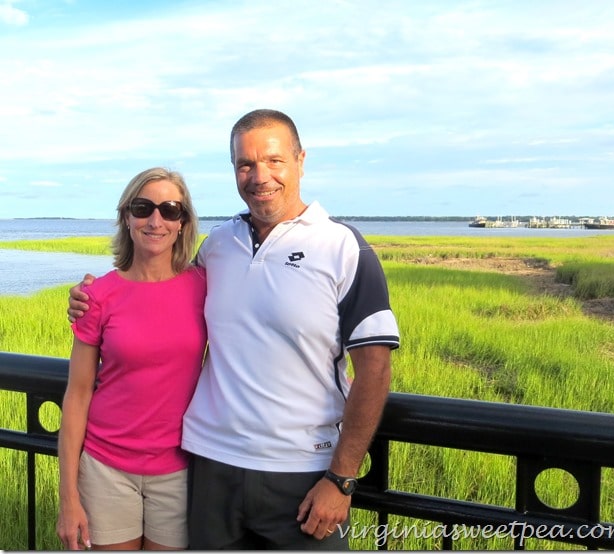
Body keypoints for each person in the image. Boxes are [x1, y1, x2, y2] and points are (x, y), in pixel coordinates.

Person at [68, 109, 400, 550]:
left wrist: (341, 479)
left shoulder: (343, 247)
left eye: (274, 160)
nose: (260, 175)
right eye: (245, 164)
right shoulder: (219, 247)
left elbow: (374, 370)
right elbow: (159, 294)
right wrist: (87, 298)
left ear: (301, 159)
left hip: (302, 472)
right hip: (210, 466)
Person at [57, 168, 208, 551]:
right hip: (105, 469)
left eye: (170, 210)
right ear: (127, 217)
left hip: (180, 469)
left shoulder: (207, 287)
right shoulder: (98, 295)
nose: (155, 220)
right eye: (143, 208)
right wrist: (68, 497)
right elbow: (77, 396)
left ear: (182, 222)